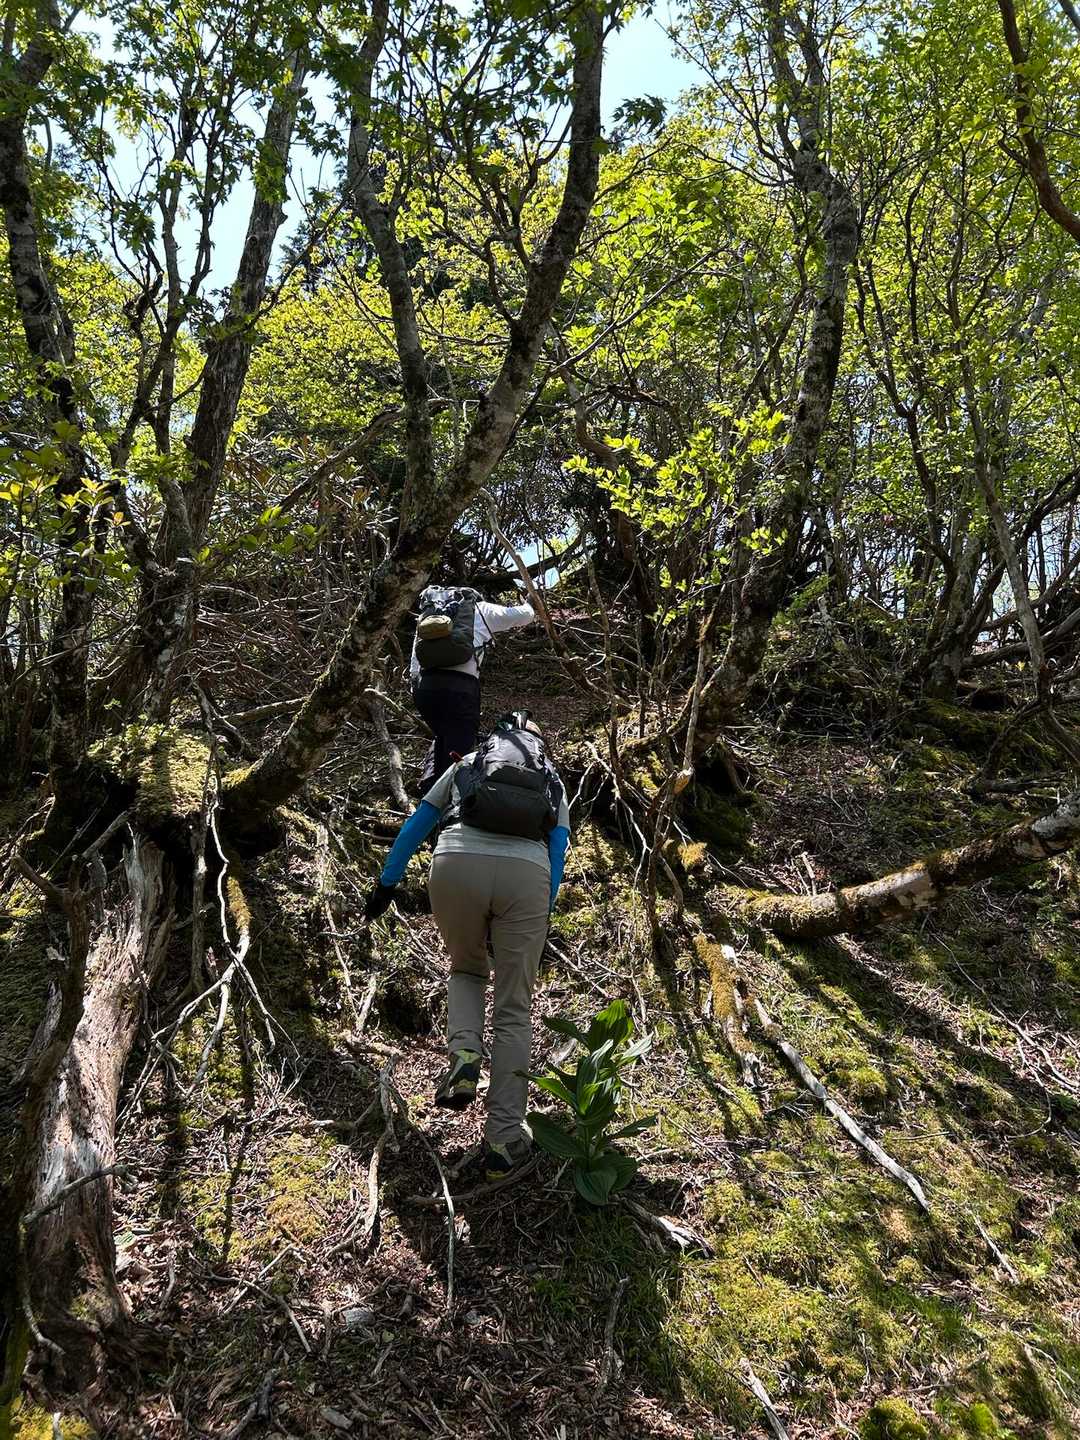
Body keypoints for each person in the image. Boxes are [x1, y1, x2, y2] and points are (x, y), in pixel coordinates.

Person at [364, 713, 571, 1180]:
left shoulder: (469, 763)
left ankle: (464, 1055)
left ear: (497, 738)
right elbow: (557, 851)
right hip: (527, 878)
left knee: (466, 970)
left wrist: (387, 883)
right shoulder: (552, 780)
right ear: (538, 747)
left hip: (456, 863)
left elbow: (418, 823)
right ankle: (503, 1140)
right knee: (514, 1009)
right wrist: (543, 910)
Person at [410, 585, 535, 790]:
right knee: (459, 751)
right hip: (460, 689)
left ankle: (429, 790)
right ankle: (451, 798)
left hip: (425, 689)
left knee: (443, 737)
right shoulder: (481, 609)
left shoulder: (430, 615)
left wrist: (415, 687)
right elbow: (523, 616)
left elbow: (415, 660)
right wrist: (530, 602)